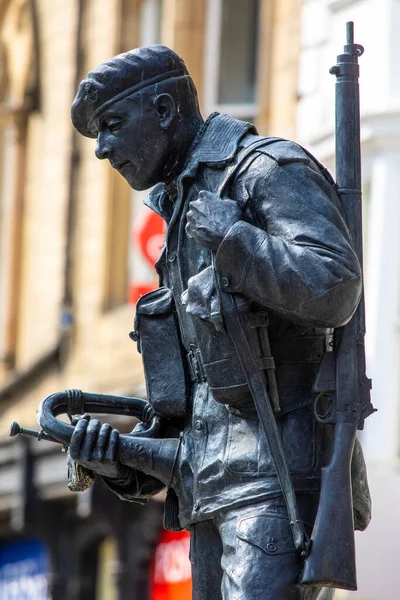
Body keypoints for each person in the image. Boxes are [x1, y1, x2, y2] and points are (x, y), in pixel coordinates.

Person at [69, 45, 370, 600]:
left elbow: (336, 285)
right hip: (207, 490)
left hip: (275, 484)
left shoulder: (265, 171)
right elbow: (196, 398)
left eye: (112, 126)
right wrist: (116, 458)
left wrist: (236, 239)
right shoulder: (182, 207)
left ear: (163, 109)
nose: (103, 150)